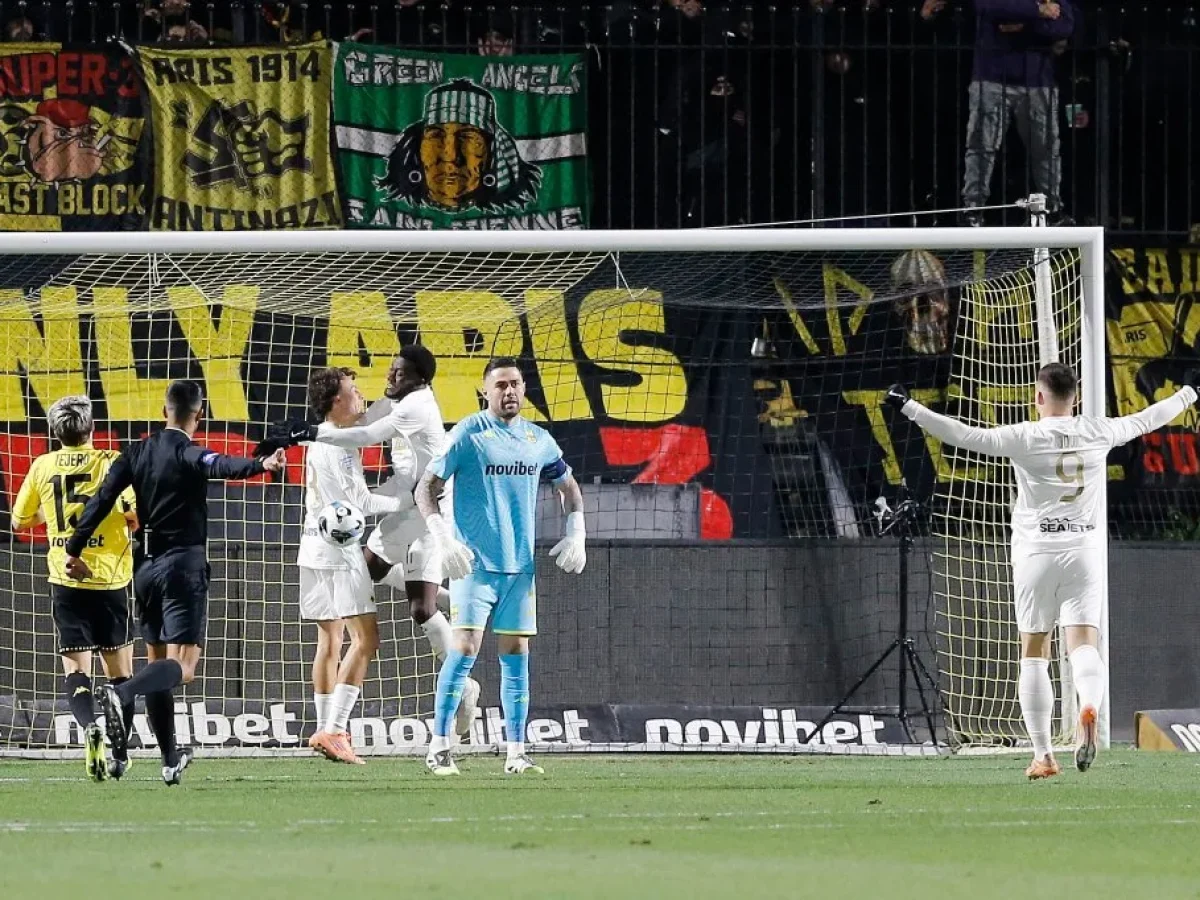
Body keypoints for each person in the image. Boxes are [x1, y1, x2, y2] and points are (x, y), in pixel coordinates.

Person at [886, 364, 1197, 778]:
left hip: (1036, 555)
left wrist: (910, 407)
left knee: (1034, 652)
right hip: (1084, 551)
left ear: (1038, 397)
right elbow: (1148, 417)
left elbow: (963, 435)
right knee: (1083, 645)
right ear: (1077, 398)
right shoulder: (1098, 430)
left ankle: (1043, 755)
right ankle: (1090, 706)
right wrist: (1189, 392)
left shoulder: (1025, 436)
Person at [64, 380, 285, 786]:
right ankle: (122, 693)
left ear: (164, 410)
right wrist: (262, 465)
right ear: (199, 414)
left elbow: (102, 500)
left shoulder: (136, 452)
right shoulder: (188, 451)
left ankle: (169, 759)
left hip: (144, 569)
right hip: (183, 566)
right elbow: (220, 464)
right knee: (182, 668)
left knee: (158, 666)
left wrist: (74, 548)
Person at [268, 346, 479, 743]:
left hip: (429, 509)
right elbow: (362, 421)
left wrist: (308, 433)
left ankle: (463, 683)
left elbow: (367, 434)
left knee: (420, 609)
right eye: (391, 370)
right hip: (403, 504)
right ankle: (331, 729)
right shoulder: (393, 400)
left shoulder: (417, 406)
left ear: (419, 379)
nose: (389, 377)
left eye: (399, 373)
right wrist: (314, 434)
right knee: (365, 572)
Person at [416, 357, 587, 776]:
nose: (508, 392)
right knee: (464, 649)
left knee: (516, 655)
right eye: (500, 385)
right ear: (485, 391)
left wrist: (576, 530)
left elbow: (568, 488)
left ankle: (516, 753)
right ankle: (439, 747)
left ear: (524, 389)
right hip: (473, 565)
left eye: (514, 384)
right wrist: (444, 540)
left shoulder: (538, 440)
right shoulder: (468, 433)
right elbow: (426, 488)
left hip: (519, 569)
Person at [10, 396, 138, 782]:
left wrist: (53, 515)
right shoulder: (112, 462)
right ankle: (120, 755)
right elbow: (134, 515)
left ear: (55, 432)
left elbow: (19, 521)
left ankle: (89, 728)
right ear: (92, 428)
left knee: (76, 670)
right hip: (110, 579)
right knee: (121, 676)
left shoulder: (42, 465)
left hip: (66, 581)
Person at [299, 366, 412, 765]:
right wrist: (407, 501)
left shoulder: (322, 437)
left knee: (330, 641)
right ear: (336, 401)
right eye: (353, 389)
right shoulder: (339, 445)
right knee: (366, 639)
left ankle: (325, 729)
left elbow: (374, 416)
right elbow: (361, 503)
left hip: (311, 546)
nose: (360, 394)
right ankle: (334, 729)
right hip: (339, 551)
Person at [954, 0, 1076, 225]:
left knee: (1045, 150)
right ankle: (972, 210)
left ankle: (1052, 209)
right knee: (981, 146)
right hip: (991, 77)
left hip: (1037, 81)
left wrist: (1021, 24)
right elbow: (986, 7)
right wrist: (1037, 11)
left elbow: (1064, 26)